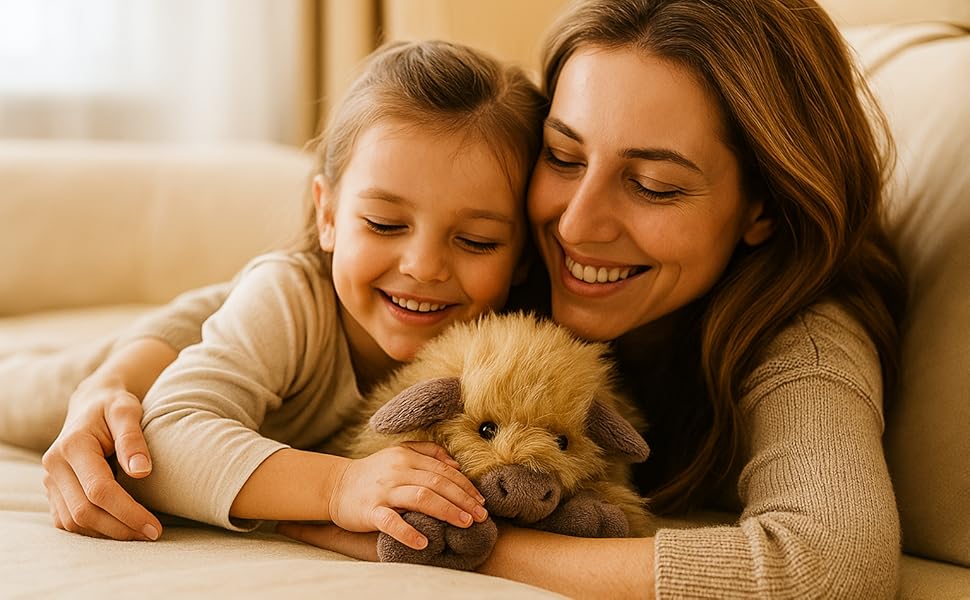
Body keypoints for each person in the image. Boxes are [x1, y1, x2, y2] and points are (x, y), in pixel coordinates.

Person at [17, 0, 907, 597]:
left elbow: (829, 563)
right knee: (41, 392)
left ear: (762, 207)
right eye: (563, 155)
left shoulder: (803, 340)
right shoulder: (514, 258)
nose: (578, 223)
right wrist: (122, 378)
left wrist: (441, 537)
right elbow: (276, 293)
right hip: (204, 383)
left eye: (655, 185)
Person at [24, 38, 547, 550]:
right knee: (27, 393)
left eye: (476, 241)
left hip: (212, 321)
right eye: (385, 224)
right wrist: (339, 486)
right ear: (327, 216)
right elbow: (167, 432)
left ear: (523, 252)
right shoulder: (291, 302)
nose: (424, 267)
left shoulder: (520, 347)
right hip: (146, 353)